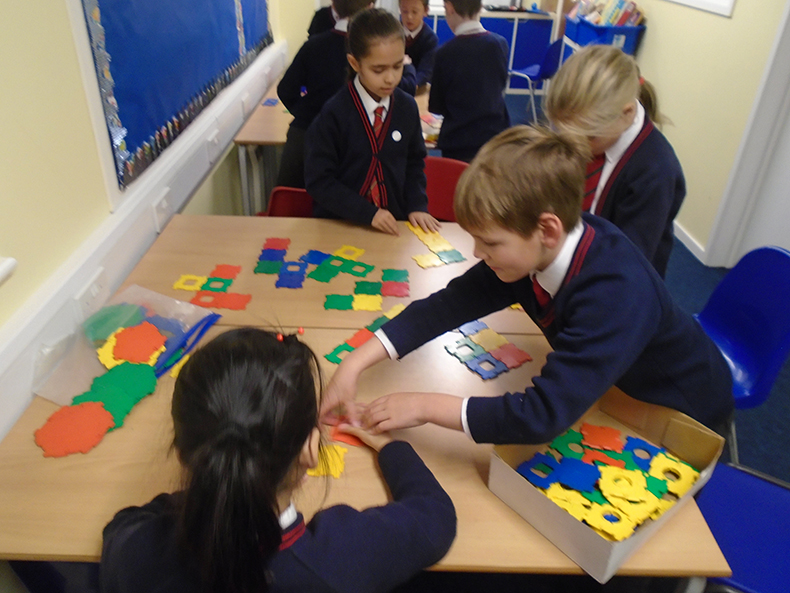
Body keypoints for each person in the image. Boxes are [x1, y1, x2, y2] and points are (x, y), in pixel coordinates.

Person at [322, 126, 734, 446]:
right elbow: (445, 306)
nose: (478, 253)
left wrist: (424, 405)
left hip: (682, 408)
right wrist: (353, 364)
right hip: (614, 391)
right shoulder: (529, 255)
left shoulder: (616, 292)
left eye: (490, 242)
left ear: (547, 230)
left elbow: (541, 416)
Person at [100, 328, 456, 593]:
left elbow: (121, 525)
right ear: (310, 451)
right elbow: (435, 516)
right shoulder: (343, 558)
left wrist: (206, 489)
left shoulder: (136, 554)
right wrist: (392, 448)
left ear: (182, 453)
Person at [545, 45, 685, 278]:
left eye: (589, 136)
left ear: (627, 113)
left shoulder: (656, 172)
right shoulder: (593, 132)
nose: (575, 144)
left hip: (612, 281)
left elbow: (627, 262)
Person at [305, 9, 440, 236]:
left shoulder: (406, 107)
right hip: (341, 225)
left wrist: (417, 204)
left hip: (393, 227)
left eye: (398, 66)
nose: (390, 78)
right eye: (378, 70)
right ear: (355, 63)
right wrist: (368, 213)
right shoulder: (334, 113)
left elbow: (414, 162)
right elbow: (319, 181)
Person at [276, 0, 374, 188]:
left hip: (303, 136)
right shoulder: (368, 52)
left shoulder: (313, 45)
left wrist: (307, 113)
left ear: (334, 7)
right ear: (370, 8)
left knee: (291, 198)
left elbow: (285, 89)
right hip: (349, 144)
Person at [428, 0, 510, 162]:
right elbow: (499, 85)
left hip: (459, 142)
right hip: (495, 138)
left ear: (450, 8)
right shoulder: (500, 44)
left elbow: (436, 106)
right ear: (480, 7)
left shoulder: (445, 53)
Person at [400, 0, 438, 91]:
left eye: (414, 12)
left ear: (426, 11)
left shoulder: (430, 39)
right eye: (405, 11)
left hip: (417, 88)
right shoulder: (392, 33)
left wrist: (411, 85)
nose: (409, 17)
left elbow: (425, 72)